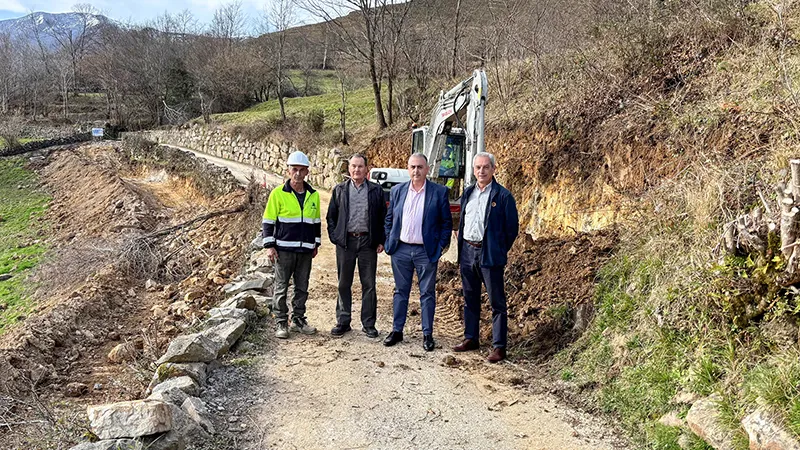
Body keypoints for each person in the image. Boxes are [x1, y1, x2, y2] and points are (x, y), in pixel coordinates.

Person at [452, 152, 519, 363]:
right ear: (473, 170)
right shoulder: (468, 193)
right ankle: (471, 337)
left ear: (493, 169)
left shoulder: (503, 196)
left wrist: (498, 248)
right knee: (470, 298)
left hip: (489, 254)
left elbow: (512, 229)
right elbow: (462, 221)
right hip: (467, 252)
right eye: (478, 168)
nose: (481, 171)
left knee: (496, 302)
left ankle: (499, 347)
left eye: (485, 167)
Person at [383, 153, 452, 351]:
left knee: (427, 293)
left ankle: (427, 334)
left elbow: (446, 223)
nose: (416, 171)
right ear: (408, 169)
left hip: (426, 251)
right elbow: (390, 219)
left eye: (420, 167)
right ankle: (397, 330)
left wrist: (439, 247)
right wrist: (389, 240)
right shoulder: (397, 191)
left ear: (427, 169)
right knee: (400, 291)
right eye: (413, 167)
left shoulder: (439, 192)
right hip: (401, 250)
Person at [326, 154, 387, 338]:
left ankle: (368, 324)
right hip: (346, 243)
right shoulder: (340, 190)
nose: (356, 170)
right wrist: (336, 237)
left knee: (368, 284)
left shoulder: (376, 191)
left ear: (366, 169)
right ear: (349, 168)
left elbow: (384, 217)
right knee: (344, 283)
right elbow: (331, 217)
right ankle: (343, 321)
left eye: (360, 166)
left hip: (368, 243)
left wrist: (381, 240)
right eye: (353, 166)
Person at [263, 150, 322, 339]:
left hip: (305, 250)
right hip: (284, 250)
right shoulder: (277, 194)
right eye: (294, 169)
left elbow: (316, 222)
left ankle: (298, 320)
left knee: (302, 287)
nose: (297, 173)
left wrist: (316, 244)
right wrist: (270, 245)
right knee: (281, 287)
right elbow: (268, 221)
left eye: (301, 170)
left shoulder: (313, 195)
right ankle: (281, 322)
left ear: (307, 172)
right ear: (288, 171)